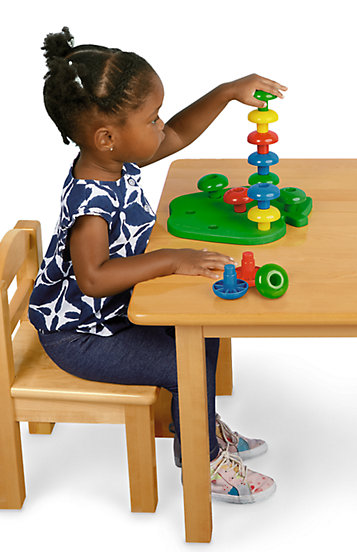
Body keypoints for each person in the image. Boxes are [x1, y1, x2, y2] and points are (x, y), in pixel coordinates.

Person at [29, 26, 286, 504]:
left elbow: (180, 134)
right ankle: (203, 461)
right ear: (108, 137)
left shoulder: (115, 162)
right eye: (151, 119)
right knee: (183, 362)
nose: (160, 126)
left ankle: (200, 425)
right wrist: (170, 260)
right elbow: (94, 278)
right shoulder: (92, 202)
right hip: (81, 336)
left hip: (115, 317)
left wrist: (228, 92)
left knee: (201, 337)